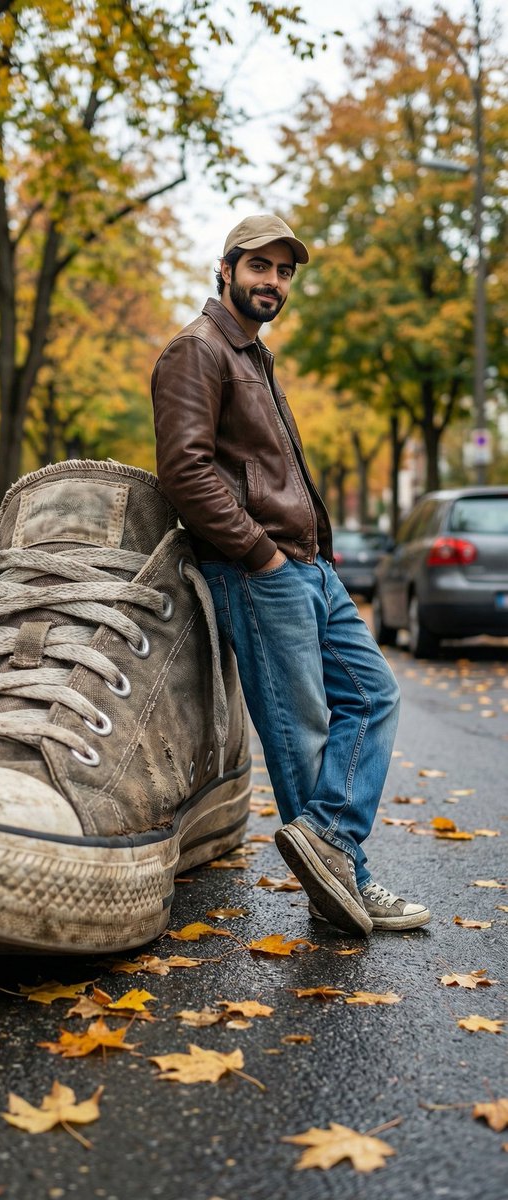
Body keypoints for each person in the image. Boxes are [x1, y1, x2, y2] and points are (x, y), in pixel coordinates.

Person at [151, 212, 430, 934]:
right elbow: (185, 470)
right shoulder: (199, 350)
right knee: (301, 730)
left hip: (309, 567)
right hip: (258, 569)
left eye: (283, 272)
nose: (273, 282)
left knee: (373, 694)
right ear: (226, 268)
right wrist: (260, 553)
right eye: (260, 267)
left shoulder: (251, 354)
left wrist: (311, 553)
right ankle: (346, 890)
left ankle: (333, 844)